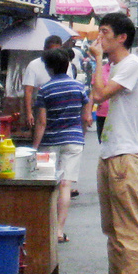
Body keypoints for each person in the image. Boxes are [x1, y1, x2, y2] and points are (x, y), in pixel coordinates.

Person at [86, 12, 138, 274]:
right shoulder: (118, 66)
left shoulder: (131, 64)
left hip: (125, 153)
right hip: (110, 150)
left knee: (126, 226)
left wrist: (97, 59)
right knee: (111, 227)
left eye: (104, 32)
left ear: (121, 37)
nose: (98, 38)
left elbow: (99, 95)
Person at [30, 47, 92, 243]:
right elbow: (85, 117)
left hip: (50, 143)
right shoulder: (79, 88)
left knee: (50, 187)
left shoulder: (45, 90)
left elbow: (41, 123)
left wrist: (34, 148)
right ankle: (58, 231)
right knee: (66, 185)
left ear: (48, 68)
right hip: (73, 141)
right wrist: (80, 135)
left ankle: (45, 229)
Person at [22, 35, 67, 128]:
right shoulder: (34, 65)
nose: (54, 54)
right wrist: (29, 113)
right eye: (51, 50)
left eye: (57, 50)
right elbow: (28, 90)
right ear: (44, 49)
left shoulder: (65, 64)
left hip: (61, 108)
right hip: (39, 108)